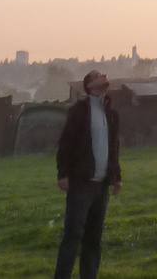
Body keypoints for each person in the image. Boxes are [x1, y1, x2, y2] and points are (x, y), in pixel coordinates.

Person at [53, 69, 121, 279]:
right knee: (73, 236)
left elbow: (114, 147)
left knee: (93, 239)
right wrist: (62, 174)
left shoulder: (111, 114)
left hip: (101, 186)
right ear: (89, 85)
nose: (105, 77)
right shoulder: (79, 112)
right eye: (99, 75)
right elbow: (66, 143)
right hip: (81, 184)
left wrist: (117, 177)